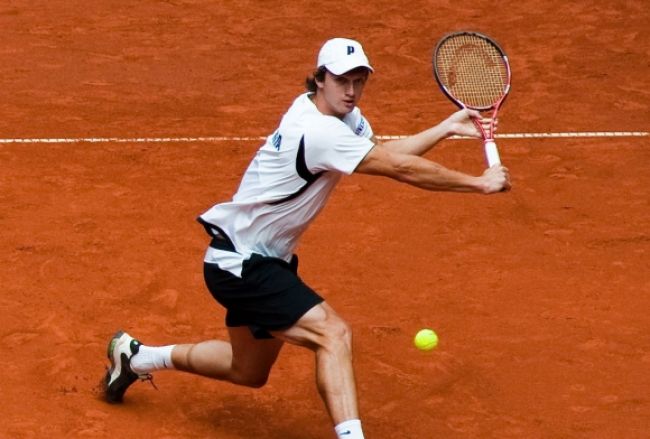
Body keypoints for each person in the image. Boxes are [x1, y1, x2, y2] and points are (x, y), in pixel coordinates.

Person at [103, 37, 510, 439]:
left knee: (247, 370)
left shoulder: (329, 114)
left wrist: (444, 128)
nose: (351, 91)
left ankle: (138, 357)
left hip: (249, 259)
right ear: (318, 79)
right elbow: (398, 168)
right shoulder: (316, 131)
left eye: (359, 80)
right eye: (341, 81)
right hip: (243, 264)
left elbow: (383, 151)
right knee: (333, 334)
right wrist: (478, 183)